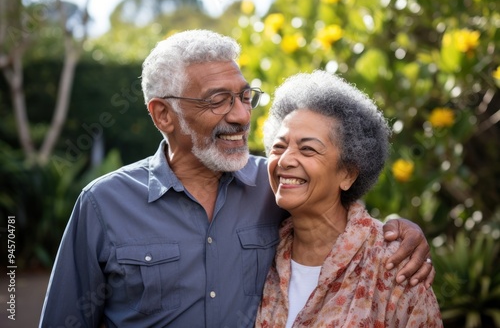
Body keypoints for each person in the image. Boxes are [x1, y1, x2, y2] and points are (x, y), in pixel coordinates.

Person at [39, 30, 434, 328]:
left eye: (245, 96)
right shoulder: (104, 204)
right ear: (163, 115)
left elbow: (340, 212)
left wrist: (402, 232)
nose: (242, 116)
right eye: (218, 100)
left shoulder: (276, 184)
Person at [255, 70, 442, 327]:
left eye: (307, 149)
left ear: (348, 174)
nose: (285, 160)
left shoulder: (395, 268)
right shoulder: (259, 251)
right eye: (278, 146)